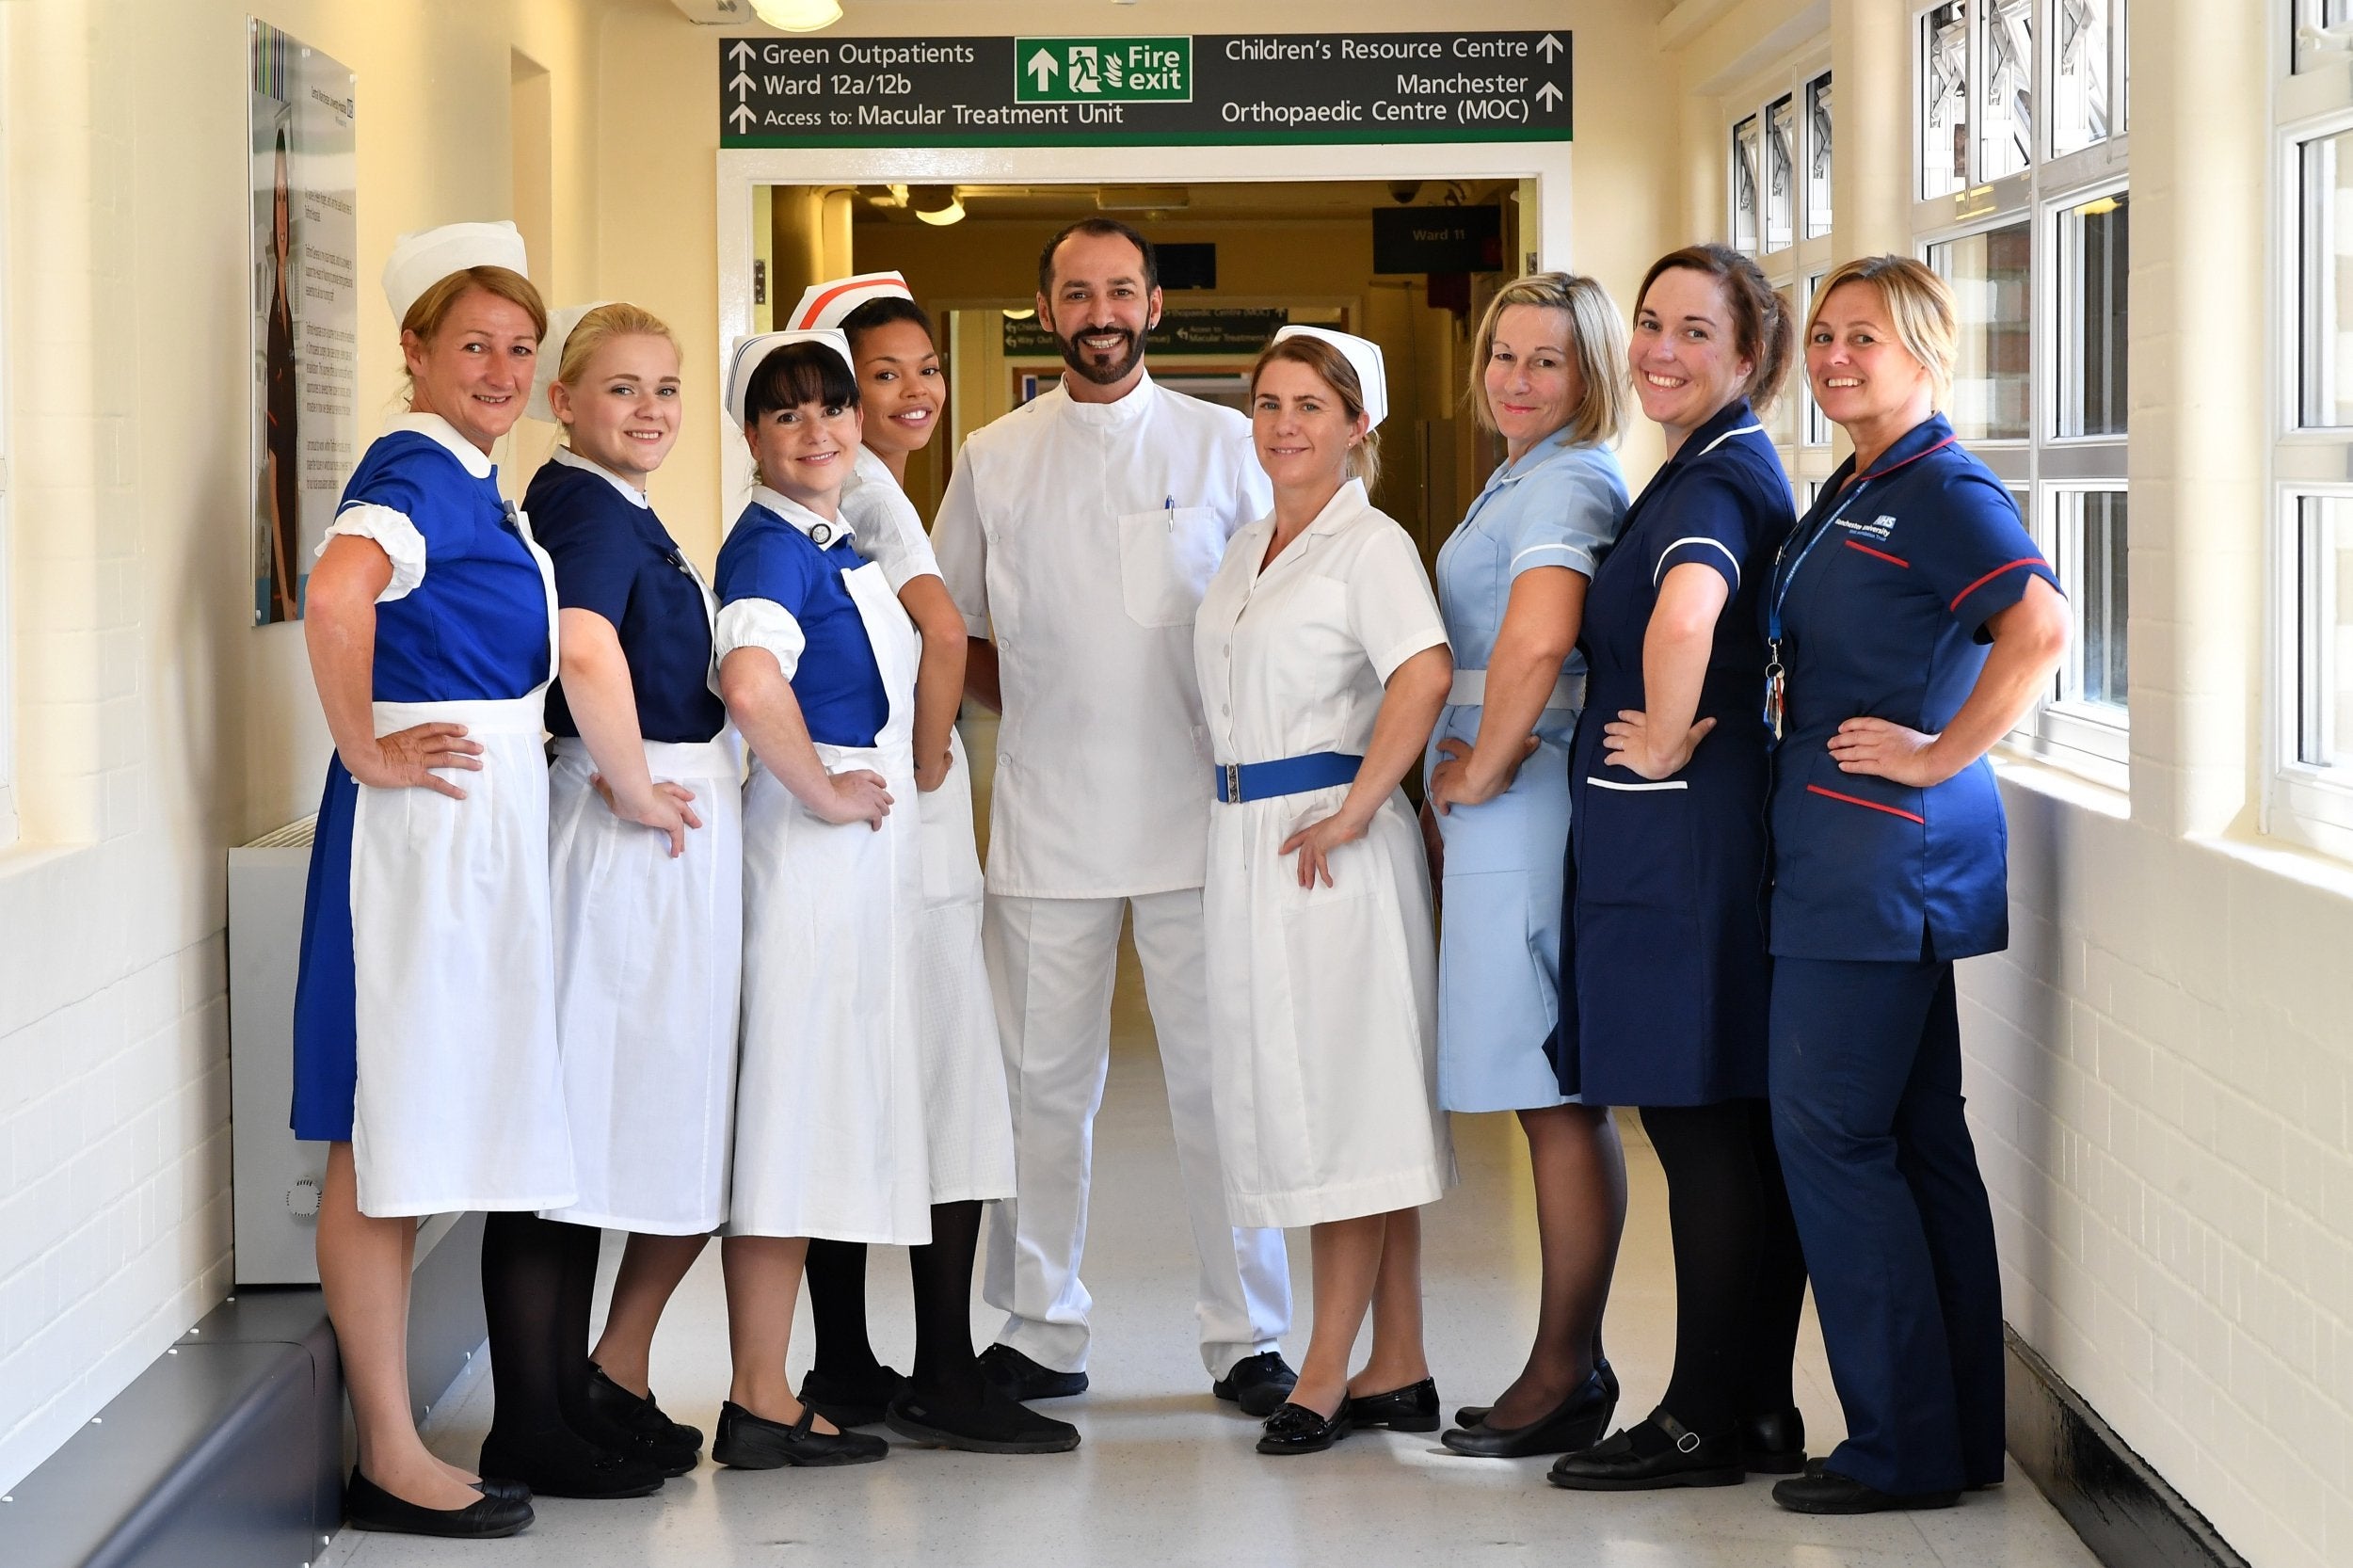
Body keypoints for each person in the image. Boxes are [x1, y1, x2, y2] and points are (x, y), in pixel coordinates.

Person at [931, 218, 1295, 1412]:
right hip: (1046, 818)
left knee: (1216, 1082)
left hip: (1202, 816)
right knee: (1041, 1088)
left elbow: (1276, 610)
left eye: (1120, 290)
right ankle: (1041, 1327)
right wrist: (1034, 710)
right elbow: (959, 630)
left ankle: (1246, 1331)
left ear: (1151, 306)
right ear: (1045, 306)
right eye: (1077, 291)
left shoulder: (1227, 443)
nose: (1100, 310)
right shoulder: (993, 453)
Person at [1762, 256, 2067, 1515]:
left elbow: (2040, 623)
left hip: (1878, 865)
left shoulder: (1941, 487)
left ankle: (1895, 1447)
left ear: (1930, 355)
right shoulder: (1857, 481)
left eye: (1866, 338)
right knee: (1919, 1140)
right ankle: (1955, 1438)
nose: (1836, 356)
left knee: (1830, 1137)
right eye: (1824, 335)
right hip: (1855, 858)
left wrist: (1944, 750)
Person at [289, 220, 566, 1539]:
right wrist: (361, 744)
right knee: (380, 1129)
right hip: (414, 838)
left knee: (411, 1128)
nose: (502, 367)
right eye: (475, 345)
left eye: (520, 347)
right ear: (415, 352)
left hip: (470, 827)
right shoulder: (414, 467)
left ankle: (395, 1439)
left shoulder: (472, 473)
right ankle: (390, 1450)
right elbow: (336, 596)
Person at [780, 273, 1075, 1454]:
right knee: (945, 1089)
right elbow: (945, 632)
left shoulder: (858, 488)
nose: (909, 391)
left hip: (863, 821)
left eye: (924, 369)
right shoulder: (867, 494)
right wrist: (934, 742)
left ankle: (851, 1361)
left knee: (860, 1079)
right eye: (878, 374)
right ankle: (942, 1371)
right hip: (898, 817)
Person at [1545, 244, 1811, 1494]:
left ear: (1746, 357)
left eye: (1695, 331)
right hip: (1701, 833)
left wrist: (1656, 734)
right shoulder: (1715, 460)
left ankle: (1699, 1418)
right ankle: (1753, 1405)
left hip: (1683, 833)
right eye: (1652, 322)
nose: (1660, 347)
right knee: (1731, 1129)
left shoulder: (1713, 482)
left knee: (1700, 1125)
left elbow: (1690, 607)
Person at [480, 302, 733, 1492]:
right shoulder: (579, 500)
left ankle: (572, 1394)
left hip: (651, 839)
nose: (649, 409)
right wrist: (633, 786)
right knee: (569, 1134)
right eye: (621, 387)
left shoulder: (619, 504)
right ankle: (529, 1420)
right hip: (621, 839)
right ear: (565, 402)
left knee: (605, 1125)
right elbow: (582, 645)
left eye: (667, 387)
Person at [1194, 328, 1454, 1456]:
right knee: (1339, 1103)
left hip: (1326, 848)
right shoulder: (1252, 542)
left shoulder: (1370, 544)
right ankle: (1400, 1361)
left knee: (1339, 1112)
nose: (1284, 424)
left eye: (1311, 405)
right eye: (1267, 403)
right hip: (1249, 839)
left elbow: (1424, 670)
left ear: (1359, 427)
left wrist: (1357, 806)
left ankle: (1322, 1369)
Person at [1424, 274, 1634, 1459]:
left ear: (1587, 373)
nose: (1514, 378)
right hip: (1508, 802)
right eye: (1502, 355)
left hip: (1529, 798)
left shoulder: (1564, 477)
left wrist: (1485, 764)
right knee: (1540, 1090)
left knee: (1554, 1093)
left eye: (1546, 361)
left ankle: (1565, 1369)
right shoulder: (1519, 473)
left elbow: (1542, 633)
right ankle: (1567, 1361)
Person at [705, 328, 920, 1470]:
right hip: (807, 866)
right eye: (785, 414)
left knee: (812, 1111)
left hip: (846, 871)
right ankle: (756, 1396)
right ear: (750, 437)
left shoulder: (826, 536)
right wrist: (824, 792)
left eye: (832, 407)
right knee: (787, 1121)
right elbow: (749, 678)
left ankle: (765, 1385)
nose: (817, 430)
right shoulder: (768, 549)